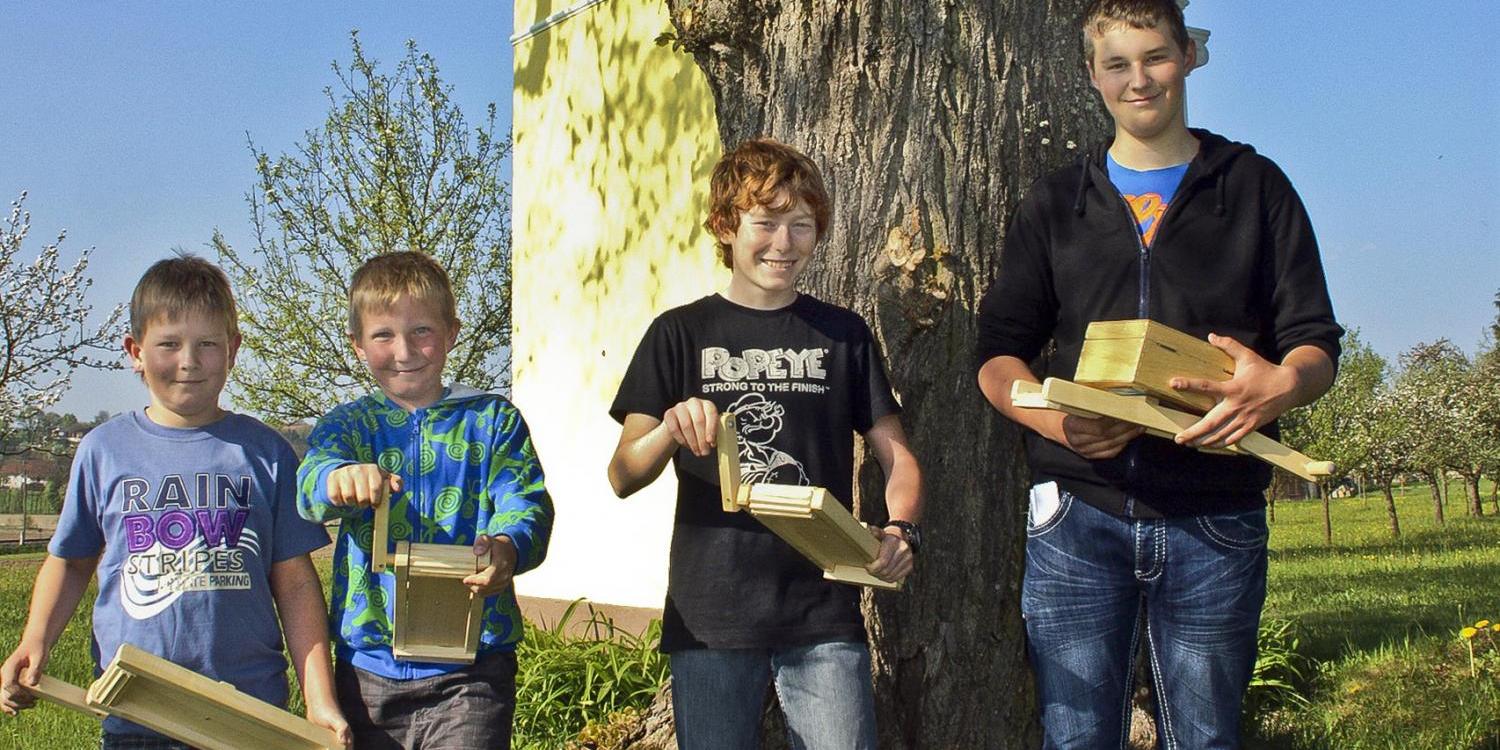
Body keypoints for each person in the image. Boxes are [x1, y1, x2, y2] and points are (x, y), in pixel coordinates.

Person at [976, 1, 1343, 746]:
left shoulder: (1255, 186)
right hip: (1076, 516)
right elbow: (995, 359)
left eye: (1155, 58)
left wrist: (1283, 383)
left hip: (1216, 514)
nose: (1138, 80)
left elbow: (1315, 343)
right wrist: (1058, 423)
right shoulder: (1055, 202)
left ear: (1187, 59)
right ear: (1092, 75)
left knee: (1206, 737)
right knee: (1075, 737)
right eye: (1117, 63)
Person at [607, 137, 924, 749]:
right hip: (710, 615)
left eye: (800, 225)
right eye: (766, 222)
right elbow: (623, 472)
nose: (783, 243)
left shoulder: (843, 334)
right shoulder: (678, 332)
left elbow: (898, 455)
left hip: (824, 609)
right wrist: (672, 429)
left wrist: (900, 528)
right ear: (726, 226)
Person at [0, 255, 350, 748]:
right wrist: (35, 641)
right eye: (169, 344)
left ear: (233, 350)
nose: (189, 361)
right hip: (137, 704)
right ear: (135, 351)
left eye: (208, 344)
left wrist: (319, 699)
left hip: (247, 709)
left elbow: (294, 585)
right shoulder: (103, 450)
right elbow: (71, 561)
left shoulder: (266, 453)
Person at [297, 251, 553, 749]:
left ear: (451, 333)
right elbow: (310, 487)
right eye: (383, 335)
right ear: (356, 345)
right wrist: (337, 480)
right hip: (366, 667)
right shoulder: (347, 426)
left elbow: (528, 504)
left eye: (421, 331)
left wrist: (508, 546)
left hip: (473, 667)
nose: (404, 350)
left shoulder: (493, 420)